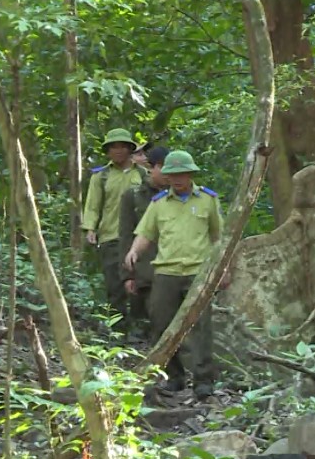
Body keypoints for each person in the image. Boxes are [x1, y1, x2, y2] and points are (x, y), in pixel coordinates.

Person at [124, 150, 225, 397]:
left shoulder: (207, 200)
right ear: (166, 176)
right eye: (172, 174)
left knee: (201, 327)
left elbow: (219, 238)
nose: (177, 179)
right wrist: (133, 252)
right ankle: (174, 376)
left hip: (198, 272)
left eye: (182, 174)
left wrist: (225, 269)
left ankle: (203, 381)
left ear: (190, 174)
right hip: (166, 272)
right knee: (161, 323)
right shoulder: (159, 204)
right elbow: (146, 233)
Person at [82, 128, 148, 325]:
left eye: (122, 147)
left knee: (141, 282)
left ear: (129, 149)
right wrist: (90, 229)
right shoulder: (100, 176)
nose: (118, 151)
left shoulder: (143, 174)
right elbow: (93, 205)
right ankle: (118, 329)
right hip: (111, 236)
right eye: (113, 147)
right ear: (108, 151)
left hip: (139, 237)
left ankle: (140, 328)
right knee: (115, 286)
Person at [118, 145, 170, 343]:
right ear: (151, 167)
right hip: (143, 270)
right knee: (142, 323)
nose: (167, 174)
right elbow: (125, 236)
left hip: (170, 268)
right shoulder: (132, 196)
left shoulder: (176, 195)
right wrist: (127, 275)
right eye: (162, 167)